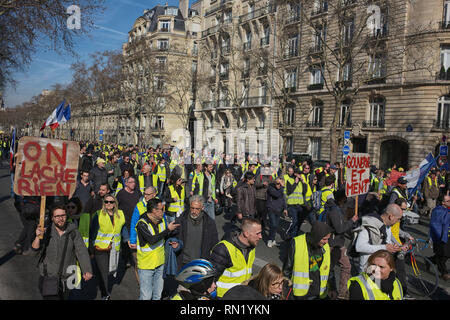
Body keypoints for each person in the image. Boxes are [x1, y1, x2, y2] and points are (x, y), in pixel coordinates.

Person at [33, 204, 93, 300]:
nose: (60, 219)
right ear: (52, 218)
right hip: (49, 277)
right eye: (57, 216)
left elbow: (81, 251)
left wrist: (87, 269)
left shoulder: (73, 231)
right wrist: (37, 237)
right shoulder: (46, 231)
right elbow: (35, 250)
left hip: (68, 278)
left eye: (63, 216)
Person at [354, 203, 414, 298]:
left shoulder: (387, 227)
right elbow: (359, 247)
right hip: (368, 269)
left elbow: (387, 242)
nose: (398, 222)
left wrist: (396, 247)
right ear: (391, 216)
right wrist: (385, 247)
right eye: (398, 219)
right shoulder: (369, 225)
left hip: (383, 270)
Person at [135, 198, 180, 300]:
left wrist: (172, 238)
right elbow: (151, 240)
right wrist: (168, 230)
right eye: (161, 209)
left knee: (157, 295)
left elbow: (164, 236)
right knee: (146, 296)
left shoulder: (162, 220)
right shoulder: (142, 224)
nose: (163, 211)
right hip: (146, 265)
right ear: (154, 211)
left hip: (160, 263)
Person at [210, 217, 262, 298]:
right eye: (257, 233)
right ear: (246, 233)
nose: (261, 236)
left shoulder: (252, 247)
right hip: (224, 296)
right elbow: (211, 277)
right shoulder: (223, 249)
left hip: (241, 294)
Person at [89, 194, 129, 300]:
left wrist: (127, 239)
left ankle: (103, 288)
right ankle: (105, 294)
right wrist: (91, 249)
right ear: (104, 203)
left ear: (115, 203)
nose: (108, 204)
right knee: (103, 272)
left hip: (114, 248)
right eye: (106, 202)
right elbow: (92, 232)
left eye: (111, 202)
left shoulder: (120, 214)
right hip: (100, 248)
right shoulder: (98, 214)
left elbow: (123, 228)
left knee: (111, 270)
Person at [282, 221, 333, 300]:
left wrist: (333, 288)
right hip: (300, 294)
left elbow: (328, 269)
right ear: (317, 236)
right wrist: (284, 290)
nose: (326, 242)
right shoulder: (297, 243)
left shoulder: (325, 247)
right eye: (324, 239)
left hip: (317, 293)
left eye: (328, 239)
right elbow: (287, 269)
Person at [324, 190, 358, 300]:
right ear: (342, 198)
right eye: (345, 197)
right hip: (333, 243)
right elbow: (339, 228)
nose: (347, 199)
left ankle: (341, 292)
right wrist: (352, 221)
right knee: (331, 268)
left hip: (338, 242)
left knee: (345, 266)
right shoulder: (334, 210)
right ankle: (332, 291)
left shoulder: (336, 208)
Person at [173, 195, 219, 268]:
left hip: (200, 263)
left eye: (197, 209)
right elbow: (174, 236)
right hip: (183, 261)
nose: (194, 211)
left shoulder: (209, 223)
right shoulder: (181, 220)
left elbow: (215, 243)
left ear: (202, 208)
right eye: (192, 208)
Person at [116, 175, 142, 268]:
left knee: (135, 241)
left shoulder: (138, 192)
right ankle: (126, 259)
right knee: (126, 243)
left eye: (134, 182)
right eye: (131, 182)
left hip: (136, 221)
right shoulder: (121, 194)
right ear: (126, 183)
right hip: (125, 222)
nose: (133, 184)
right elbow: (116, 206)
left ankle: (136, 260)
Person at [429, 195, 450, 280]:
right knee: (443, 255)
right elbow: (435, 225)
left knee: (446, 255)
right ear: (443, 202)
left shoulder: (447, 210)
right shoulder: (438, 211)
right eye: (448, 201)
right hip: (441, 237)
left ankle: (430, 261)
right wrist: (439, 238)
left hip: (448, 236)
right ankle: (444, 272)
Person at [284, 166, 308, 239]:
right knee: (294, 221)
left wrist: (304, 183)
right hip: (292, 205)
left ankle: (293, 236)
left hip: (299, 205)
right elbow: (289, 191)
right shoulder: (290, 180)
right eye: (298, 174)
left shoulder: (301, 182)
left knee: (298, 222)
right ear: (295, 174)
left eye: (300, 174)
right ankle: (288, 233)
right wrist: (295, 183)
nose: (300, 175)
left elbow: (304, 192)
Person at [266, 177, 287, 248]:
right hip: (271, 209)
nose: (279, 185)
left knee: (276, 226)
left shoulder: (281, 189)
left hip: (279, 210)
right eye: (278, 184)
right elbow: (276, 194)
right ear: (275, 183)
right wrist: (282, 187)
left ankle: (273, 240)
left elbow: (283, 199)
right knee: (273, 225)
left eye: (280, 184)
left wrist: (285, 208)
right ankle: (270, 239)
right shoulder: (270, 188)